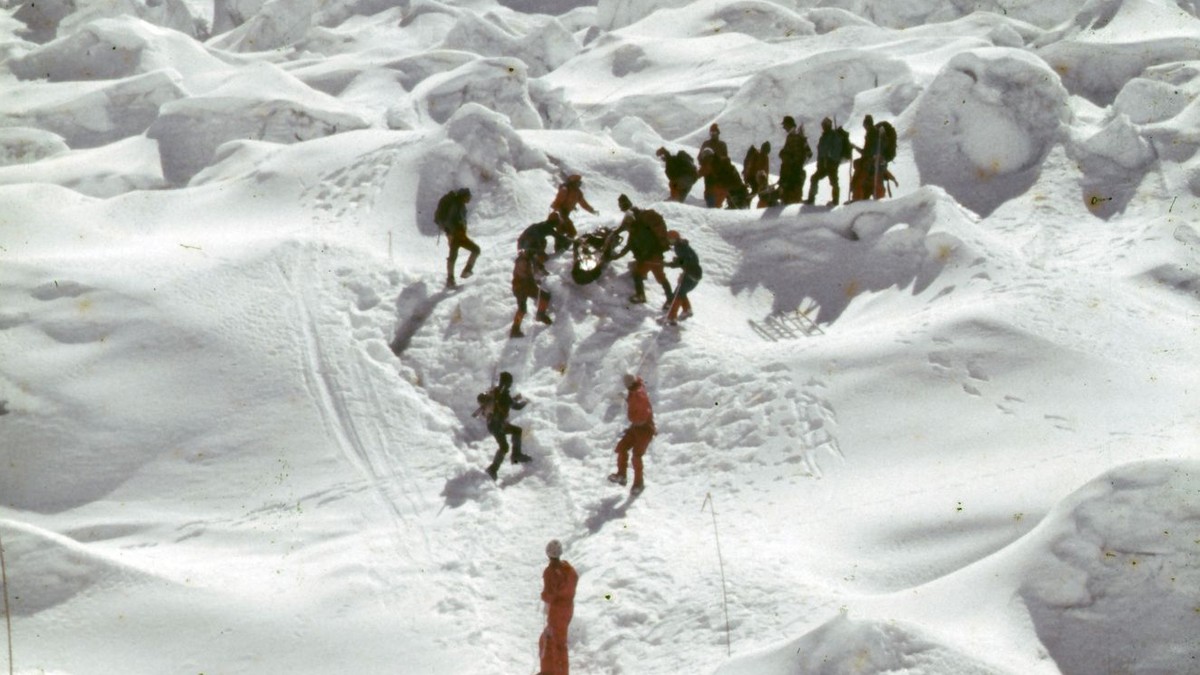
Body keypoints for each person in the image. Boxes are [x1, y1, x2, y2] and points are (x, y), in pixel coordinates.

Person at [617, 194, 673, 306]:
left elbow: (632, 245)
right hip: (657, 256)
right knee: (661, 278)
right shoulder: (640, 226)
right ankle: (670, 300)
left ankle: (640, 295)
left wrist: (641, 257)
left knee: (637, 275)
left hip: (649, 258)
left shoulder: (638, 232)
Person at [477, 371, 532, 480]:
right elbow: (516, 406)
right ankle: (494, 468)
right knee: (505, 446)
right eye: (510, 383)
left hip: (492, 424)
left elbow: (505, 403)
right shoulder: (505, 396)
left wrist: (515, 399)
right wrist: (526, 401)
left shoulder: (494, 392)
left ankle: (515, 455)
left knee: (516, 431)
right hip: (499, 426)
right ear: (508, 383)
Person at [608, 374, 655, 495]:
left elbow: (641, 404)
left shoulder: (639, 393)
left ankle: (639, 483)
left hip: (645, 429)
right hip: (635, 427)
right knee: (622, 447)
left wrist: (638, 417)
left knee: (636, 456)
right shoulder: (635, 389)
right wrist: (626, 398)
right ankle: (621, 475)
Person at [538, 539, 578, 675]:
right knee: (555, 640)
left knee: (553, 642)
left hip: (556, 612)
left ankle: (552, 672)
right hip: (568, 610)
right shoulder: (569, 569)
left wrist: (544, 595)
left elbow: (549, 593)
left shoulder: (551, 572)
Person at [434, 187, 479, 288]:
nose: (469, 198)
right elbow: (450, 220)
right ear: (464, 196)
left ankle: (451, 279)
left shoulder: (459, 205)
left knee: (453, 256)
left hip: (455, 235)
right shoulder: (456, 205)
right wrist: (453, 232)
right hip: (457, 235)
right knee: (476, 250)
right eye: (468, 196)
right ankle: (466, 271)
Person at [510, 248, 552, 338]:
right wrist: (534, 281)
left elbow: (537, 265)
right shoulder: (522, 261)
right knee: (522, 309)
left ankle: (541, 314)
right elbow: (524, 275)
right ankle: (515, 330)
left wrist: (543, 271)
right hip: (520, 288)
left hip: (527, 287)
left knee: (545, 296)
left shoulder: (529, 258)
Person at [806, 118, 847, 206]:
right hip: (823, 164)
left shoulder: (834, 136)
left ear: (828, 125)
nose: (823, 127)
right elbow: (820, 151)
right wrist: (819, 163)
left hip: (831, 164)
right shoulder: (824, 137)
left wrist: (830, 157)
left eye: (824, 125)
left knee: (834, 181)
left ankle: (835, 201)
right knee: (815, 178)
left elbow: (837, 150)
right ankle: (811, 199)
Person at [550, 175, 597, 251]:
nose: (579, 185)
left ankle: (561, 248)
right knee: (571, 232)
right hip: (561, 213)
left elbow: (583, 203)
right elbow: (557, 203)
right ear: (573, 182)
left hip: (566, 213)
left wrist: (591, 210)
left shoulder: (578, 192)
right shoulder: (565, 190)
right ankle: (561, 249)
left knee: (563, 232)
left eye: (579, 183)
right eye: (578, 183)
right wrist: (560, 214)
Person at [664, 230, 701, 325]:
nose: (669, 241)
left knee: (678, 293)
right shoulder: (683, 246)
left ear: (675, 239)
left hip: (691, 274)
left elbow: (688, 261)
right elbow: (690, 260)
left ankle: (672, 317)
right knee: (680, 292)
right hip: (694, 273)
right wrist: (676, 263)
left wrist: (675, 263)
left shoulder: (680, 248)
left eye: (670, 239)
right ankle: (686, 310)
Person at [778, 116, 811, 205]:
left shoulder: (795, 136)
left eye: (785, 125)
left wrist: (788, 158)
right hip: (793, 167)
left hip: (793, 168)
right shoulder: (795, 135)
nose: (784, 128)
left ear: (789, 124)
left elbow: (797, 153)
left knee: (792, 187)